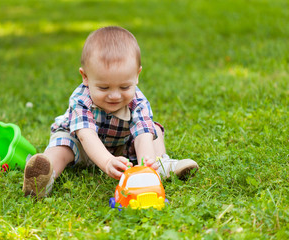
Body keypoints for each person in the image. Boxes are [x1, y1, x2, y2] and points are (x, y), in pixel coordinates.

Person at [23, 26, 199, 198]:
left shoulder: (138, 101)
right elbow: (86, 136)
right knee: (62, 146)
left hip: (120, 145)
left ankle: (159, 165)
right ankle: (44, 176)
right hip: (80, 144)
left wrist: (146, 165)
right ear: (85, 77)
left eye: (124, 86)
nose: (114, 96)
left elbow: (142, 133)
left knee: (154, 131)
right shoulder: (80, 100)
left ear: (137, 75)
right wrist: (106, 162)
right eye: (104, 87)